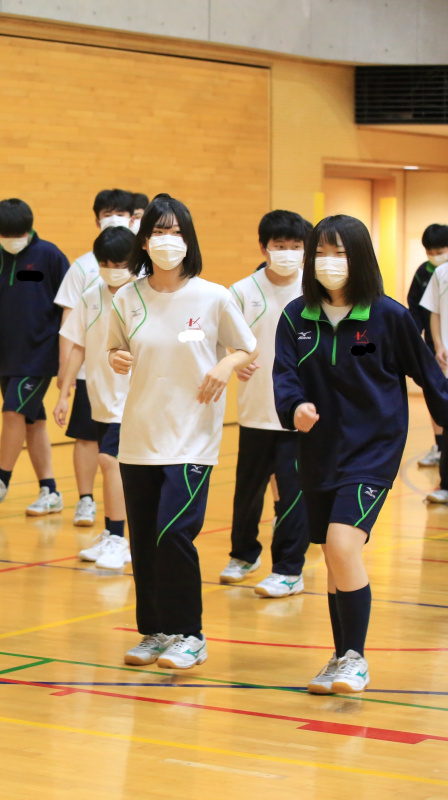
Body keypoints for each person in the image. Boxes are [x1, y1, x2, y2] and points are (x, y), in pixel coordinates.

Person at [274, 214, 448, 694]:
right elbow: (284, 375)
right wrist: (294, 407)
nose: (329, 262)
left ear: (361, 259)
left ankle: (355, 658)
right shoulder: (295, 316)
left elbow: (430, 379)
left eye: (340, 253)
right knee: (334, 555)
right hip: (318, 451)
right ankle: (339, 657)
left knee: (343, 544)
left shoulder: (389, 316)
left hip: (373, 450)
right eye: (321, 253)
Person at [108, 194, 257, 671]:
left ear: (188, 240)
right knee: (145, 540)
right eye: (158, 231)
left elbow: (247, 347)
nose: (167, 240)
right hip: (139, 437)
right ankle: (155, 630)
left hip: (192, 438)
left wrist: (225, 366)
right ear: (144, 241)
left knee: (174, 533)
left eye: (175, 232)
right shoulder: (127, 297)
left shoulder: (213, 296)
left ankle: (191, 633)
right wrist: (116, 357)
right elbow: (114, 348)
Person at [220, 210, 313, 595]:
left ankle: (290, 569)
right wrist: (233, 359)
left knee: (293, 493)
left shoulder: (314, 289)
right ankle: (243, 554)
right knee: (248, 490)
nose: (287, 252)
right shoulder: (242, 291)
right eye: (279, 245)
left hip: (298, 411)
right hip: (255, 411)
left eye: (295, 246)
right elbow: (224, 336)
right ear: (264, 247)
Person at [0, 199, 69, 515]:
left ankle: (1, 481)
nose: (12, 240)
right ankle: (50, 491)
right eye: (5, 234)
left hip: (41, 354)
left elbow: (69, 306)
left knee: (12, 412)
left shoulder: (50, 257)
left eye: (18, 234)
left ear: (29, 229)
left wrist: (66, 355)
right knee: (32, 422)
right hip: (8, 357)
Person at [53, 226, 135, 570]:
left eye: (119, 264)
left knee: (109, 462)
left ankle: (119, 539)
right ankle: (112, 533)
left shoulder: (143, 296)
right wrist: (64, 394)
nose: (112, 270)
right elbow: (78, 346)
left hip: (131, 401)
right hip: (100, 397)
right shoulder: (91, 296)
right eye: (105, 263)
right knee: (109, 465)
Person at [411, 223, 448, 473]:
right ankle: (439, 447)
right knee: (436, 397)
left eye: (440, 251)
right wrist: (421, 338)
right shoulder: (424, 273)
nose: (435, 256)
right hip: (434, 345)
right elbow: (417, 308)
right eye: (430, 252)